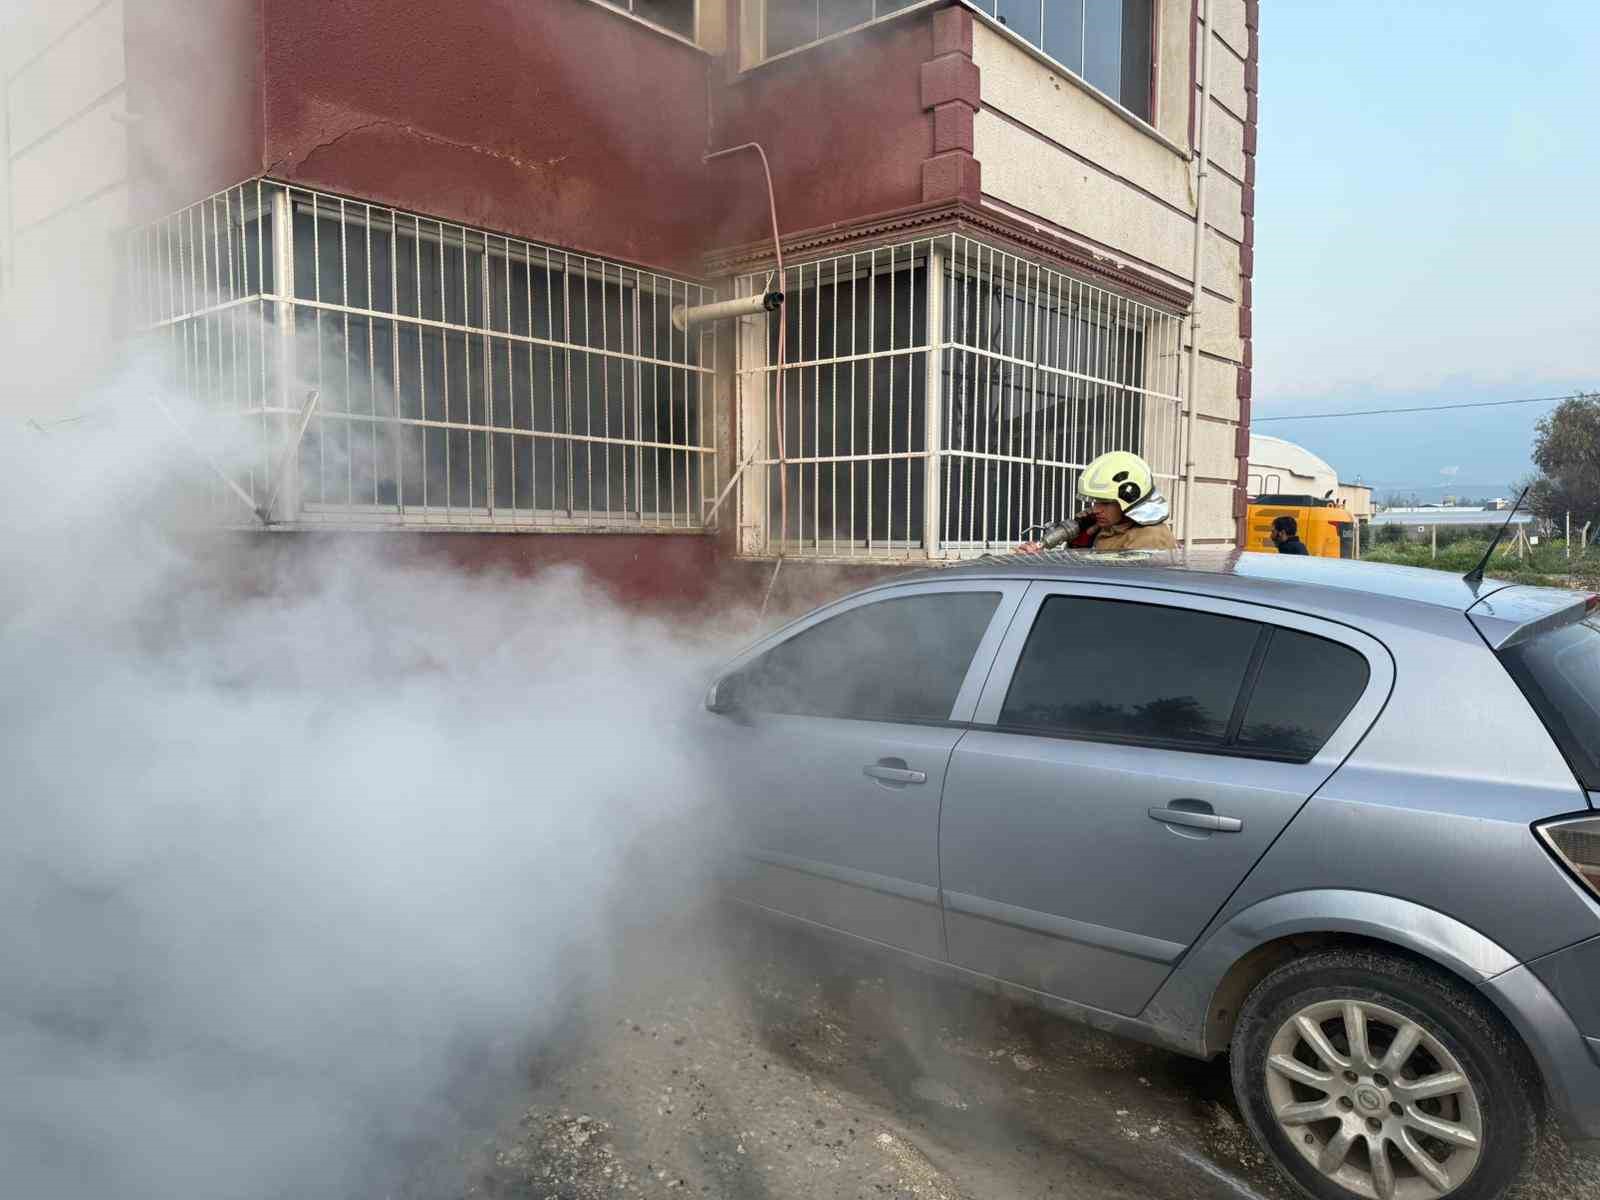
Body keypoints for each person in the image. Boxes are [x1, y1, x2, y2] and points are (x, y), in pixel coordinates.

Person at [1018, 451, 1178, 553]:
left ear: (1131, 500)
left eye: (1105, 503)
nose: (1096, 510)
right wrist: (1036, 558)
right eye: (1095, 502)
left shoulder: (1151, 538)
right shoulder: (1102, 528)